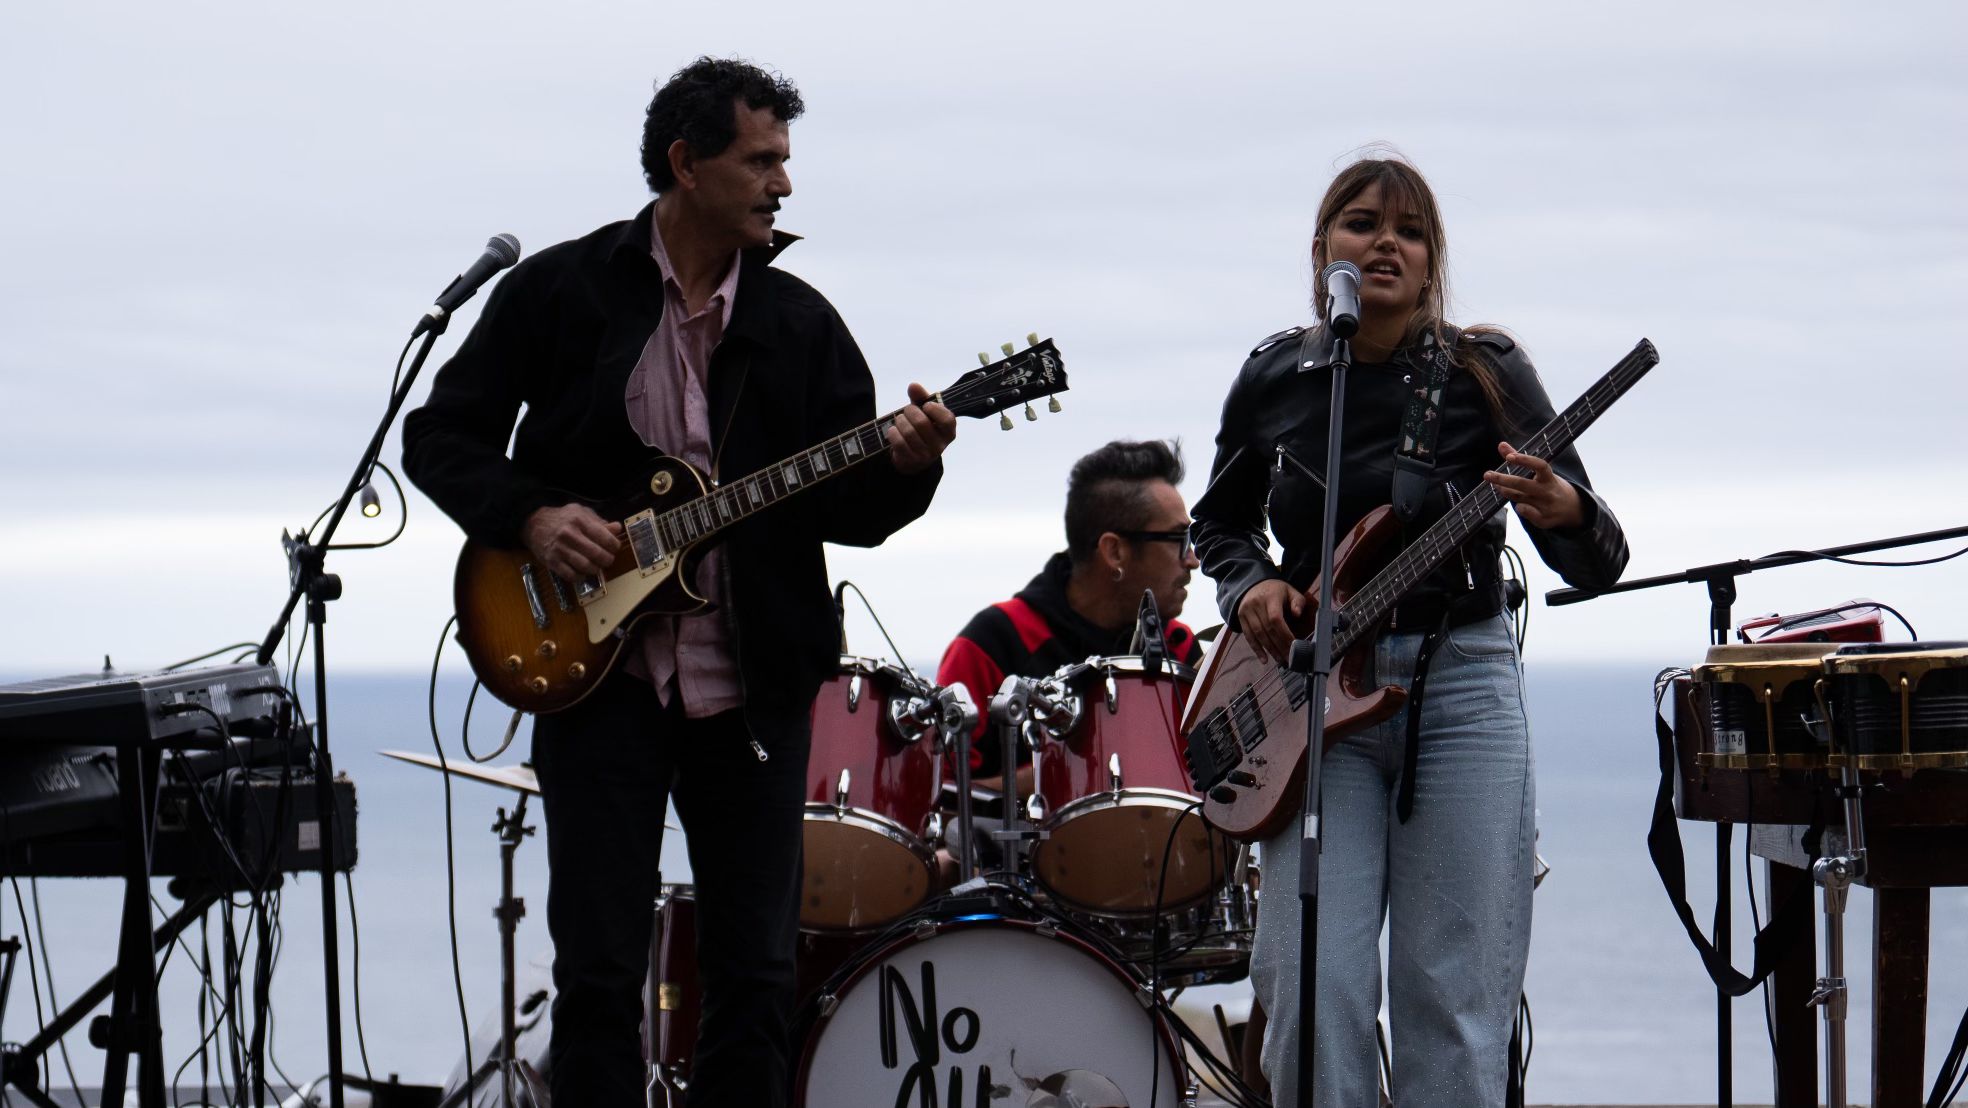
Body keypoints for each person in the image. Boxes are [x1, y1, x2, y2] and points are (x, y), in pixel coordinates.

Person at [401, 58, 955, 1108]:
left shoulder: (800, 322)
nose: (783, 183)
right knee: (598, 974)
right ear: (685, 163)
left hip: (751, 689)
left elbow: (853, 512)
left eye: (786, 160)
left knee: (757, 974)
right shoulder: (560, 290)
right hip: (593, 680)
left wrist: (909, 466)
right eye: (761, 160)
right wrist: (531, 515)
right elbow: (438, 435)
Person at [1191, 157, 1629, 1106]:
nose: (1386, 242)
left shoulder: (1486, 371)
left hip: (1459, 685)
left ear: (1433, 262)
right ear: (1323, 252)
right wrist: (1250, 585)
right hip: (1312, 699)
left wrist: (1563, 509)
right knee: (1312, 989)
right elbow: (1218, 522)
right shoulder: (1275, 375)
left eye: (1411, 230)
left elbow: (1601, 560)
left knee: (1453, 996)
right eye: (1362, 223)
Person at [937, 439, 1206, 789]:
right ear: (1114, 551)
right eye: (1179, 539)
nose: (1193, 560)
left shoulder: (1179, 646)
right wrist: (1073, 768)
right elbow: (936, 797)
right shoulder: (990, 645)